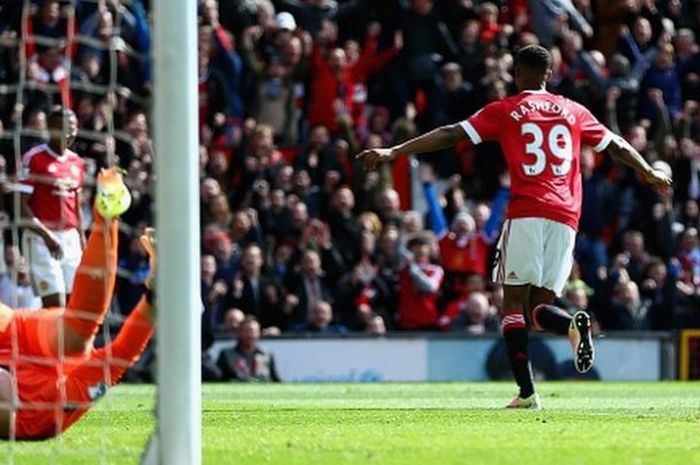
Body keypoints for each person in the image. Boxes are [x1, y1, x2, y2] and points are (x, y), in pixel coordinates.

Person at [357, 45, 672, 409]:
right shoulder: (573, 110)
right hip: (567, 217)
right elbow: (615, 144)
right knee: (538, 309)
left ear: (516, 73)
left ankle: (527, 393)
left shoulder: (506, 110)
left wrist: (394, 151)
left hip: (527, 210)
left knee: (511, 304)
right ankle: (571, 325)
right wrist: (648, 171)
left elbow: (449, 133)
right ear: (549, 75)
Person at [0, 169, 154, 439]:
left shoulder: (29, 421)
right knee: (78, 333)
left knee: (76, 335)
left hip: (14, 338)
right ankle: (107, 216)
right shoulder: (71, 396)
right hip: (30, 339)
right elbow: (125, 351)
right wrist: (155, 295)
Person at [18, 107, 86, 308]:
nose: (69, 133)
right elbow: (19, 203)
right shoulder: (34, 158)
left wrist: (81, 238)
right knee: (55, 305)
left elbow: (77, 204)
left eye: (73, 128)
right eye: (63, 128)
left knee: (75, 303)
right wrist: (47, 236)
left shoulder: (77, 162)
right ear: (49, 128)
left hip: (70, 238)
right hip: (41, 237)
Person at [216, 316, 281, 382]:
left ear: (259, 334)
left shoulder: (267, 355)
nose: (250, 335)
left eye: (253, 331)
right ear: (239, 333)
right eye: (246, 331)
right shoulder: (227, 355)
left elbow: (275, 380)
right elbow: (218, 379)